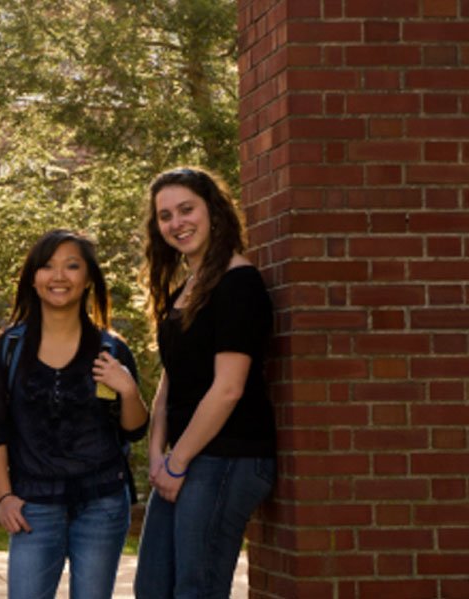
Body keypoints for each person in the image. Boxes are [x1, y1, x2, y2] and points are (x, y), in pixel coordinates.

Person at [0, 229, 149, 599]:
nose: (59, 276)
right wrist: (3, 496)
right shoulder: (6, 350)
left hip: (102, 501)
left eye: (72, 266)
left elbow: (133, 430)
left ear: (87, 279)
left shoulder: (111, 349)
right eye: (48, 266)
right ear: (33, 278)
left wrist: (129, 390)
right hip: (33, 504)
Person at [133, 167, 277, 599]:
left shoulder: (239, 283)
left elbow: (229, 387)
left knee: (196, 590)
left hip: (230, 457)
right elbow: (170, 383)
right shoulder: (183, 291)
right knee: (153, 587)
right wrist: (158, 455)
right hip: (187, 458)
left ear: (213, 212)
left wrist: (179, 461)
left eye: (186, 209)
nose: (176, 223)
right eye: (165, 216)